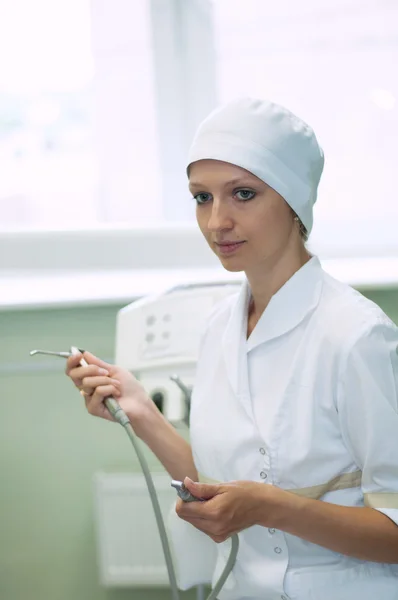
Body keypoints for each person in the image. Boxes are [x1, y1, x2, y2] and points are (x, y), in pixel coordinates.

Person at [66, 98, 398, 600]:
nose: (217, 221)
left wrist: (269, 506)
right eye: (202, 198)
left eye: (243, 194)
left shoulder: (356, 336)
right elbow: (222, 484)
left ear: (293, 199)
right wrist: (140, 411)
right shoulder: (220, 324)